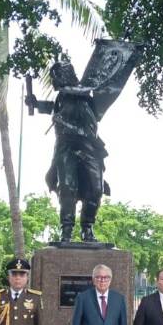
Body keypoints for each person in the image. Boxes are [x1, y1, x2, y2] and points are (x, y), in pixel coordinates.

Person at [25, 61, 109, 243]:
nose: (53, 81)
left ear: (64, 77)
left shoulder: (83, 97)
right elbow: (55, 108)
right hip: (65, 149)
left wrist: (65, 124)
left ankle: (87, 228)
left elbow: (89, 131)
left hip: (87, 149)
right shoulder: (62, 96)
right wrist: (36, 103)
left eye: (55, 77)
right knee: (67, 189)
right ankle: (66, 230)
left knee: (95, 189)